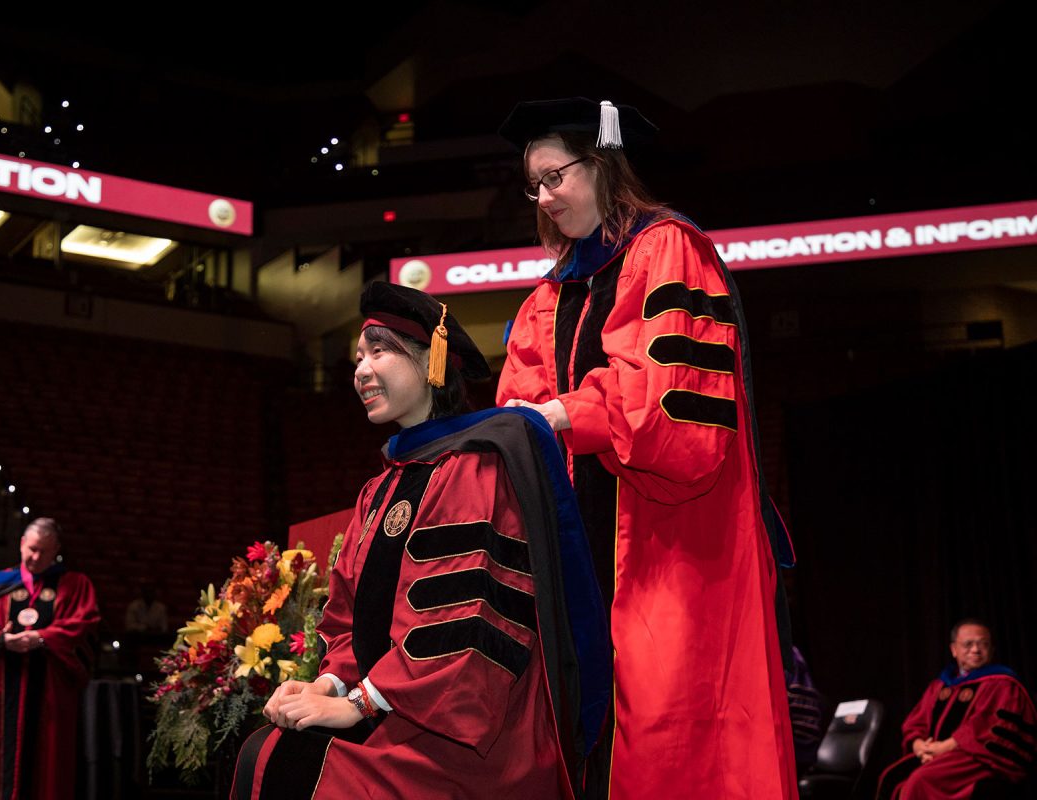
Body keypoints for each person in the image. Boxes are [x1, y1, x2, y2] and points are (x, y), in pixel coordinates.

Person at [495, 97, 797, 799]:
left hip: (670, 547)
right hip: (582, 551)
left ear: (600, 162)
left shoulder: (667, 248)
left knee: (669, 732)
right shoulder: (550, 292)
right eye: (533, 185)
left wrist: (563, 414)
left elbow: (668, 404)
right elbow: (521, 397)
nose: (543, 197)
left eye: (554, 177)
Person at [232, 282, 609, 799]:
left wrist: (360, 703)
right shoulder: (380, 487)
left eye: (379, 352)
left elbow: (459, 630)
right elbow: (348, 618)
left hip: (465, 740)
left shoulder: (474, 468)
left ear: (431, 361)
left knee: (287, 764)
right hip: (400, 715)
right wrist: (328, 684)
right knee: (267, 750)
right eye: (357, 357)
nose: (361, 371)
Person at [0, 518, 100, 800]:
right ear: (22, 543)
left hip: (50, 696)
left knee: (47, 765)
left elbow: (84, 628)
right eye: (32, 549)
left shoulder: (74, 584)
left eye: (43, 552)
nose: (35, 557)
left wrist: (43, 637)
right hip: (0, 694)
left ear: (56, 550)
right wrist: (0, 640)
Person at [876, 619, 1036, 799]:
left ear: (991, 650)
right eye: (968, 644)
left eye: (983, 644)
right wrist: (919, 746)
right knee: (890, 777)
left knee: (920, 780)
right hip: (936, 756)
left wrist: (945, 747)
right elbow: (916, 721)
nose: (975, 650)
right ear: (954, 650)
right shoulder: (940, 686)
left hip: (978, 759)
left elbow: (989, 726)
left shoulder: (1003, 684)